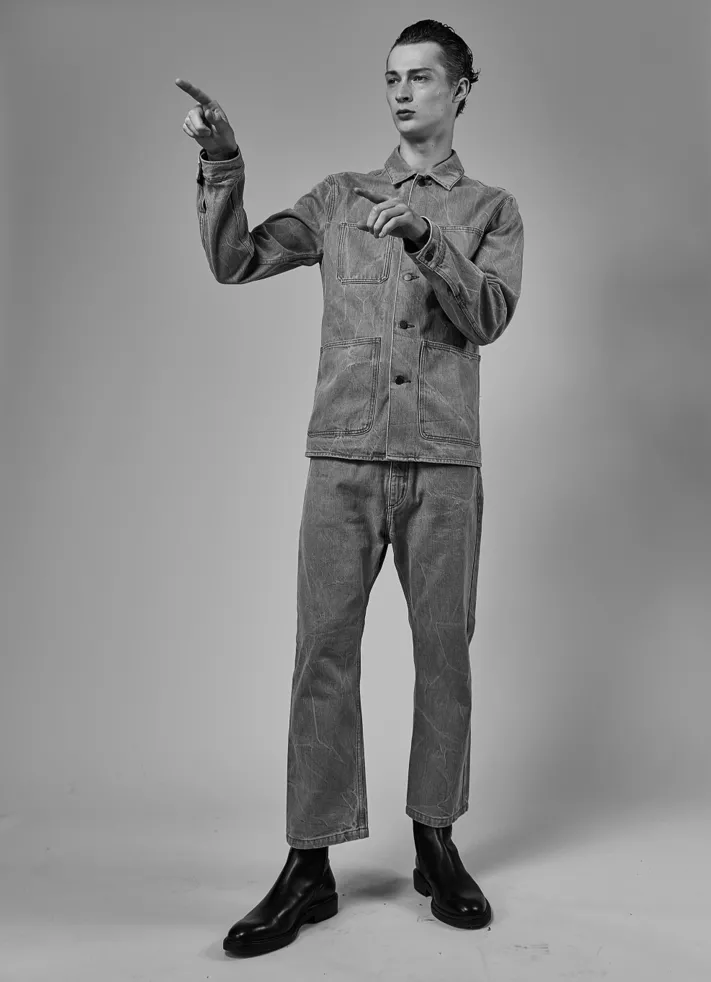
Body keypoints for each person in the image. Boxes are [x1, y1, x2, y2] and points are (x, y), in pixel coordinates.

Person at [176, 17, 523, 957]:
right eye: (391, 78)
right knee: (322, 652)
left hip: (443, 464)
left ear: (460, 90)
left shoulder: (492, 210)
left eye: (421, 77)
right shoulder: (340, 199)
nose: (402, 92)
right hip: (344, 459)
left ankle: (436, 843)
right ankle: (309, 866)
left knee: (443, 656)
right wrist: (224, 163)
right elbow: (236, 260)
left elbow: (490, 314)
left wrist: (425, 238)